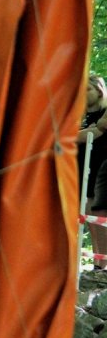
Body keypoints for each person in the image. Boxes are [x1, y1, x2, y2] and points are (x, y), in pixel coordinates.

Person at [77, 74, 107, 270]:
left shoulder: (105, 113)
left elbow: (99, 130)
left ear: (99, 90)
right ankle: (98, 264)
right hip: (82, 171)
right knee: (89, 219)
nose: (84, 94)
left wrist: (93, 130)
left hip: (101, 172)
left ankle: (103, 265)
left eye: (88, 89)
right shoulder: (80, 116)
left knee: (99, 218)